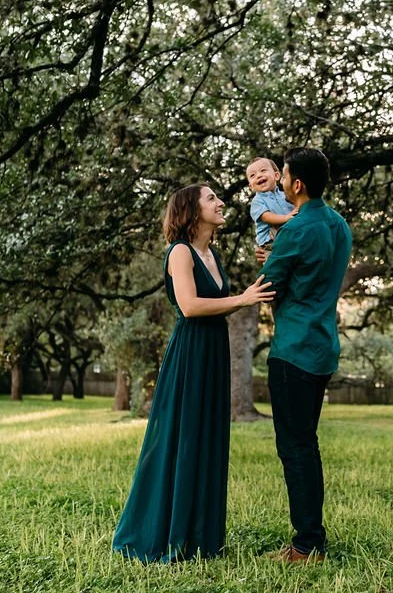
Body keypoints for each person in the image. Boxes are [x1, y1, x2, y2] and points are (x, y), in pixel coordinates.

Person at [113, 184, 275, 563]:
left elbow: (220, 305)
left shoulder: (212, 253)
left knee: (207, 437)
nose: (221, 203)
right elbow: (188, 306)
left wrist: (262, 269)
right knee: (180, 438)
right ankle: (162, 533)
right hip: (190, 354)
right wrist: (243, 298)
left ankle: (200, 537)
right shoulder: (180, 252)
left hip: (214, 353)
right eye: (211, 198)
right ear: (190, 209)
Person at [258, 148, 352, 563]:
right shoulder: (340, 225)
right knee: (306, 444)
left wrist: (268, 260)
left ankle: (307, 543)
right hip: (323, 347)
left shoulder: (295, 229)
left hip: (293, 349)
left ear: (297, 185)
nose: (278, 184)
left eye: (284, 178)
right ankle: (311, 536)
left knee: (295, 447)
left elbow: (269, 286)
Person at [246, 156, 297, 251]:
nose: (258, 176)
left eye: (263, 170)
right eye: (252, 175)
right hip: (270, 241)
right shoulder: (257, 201)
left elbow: (296, 207)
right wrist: (285, 218)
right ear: (251, 186)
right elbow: (266, 217)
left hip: (288, 236)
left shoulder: (285, 195)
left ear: (276, 176)